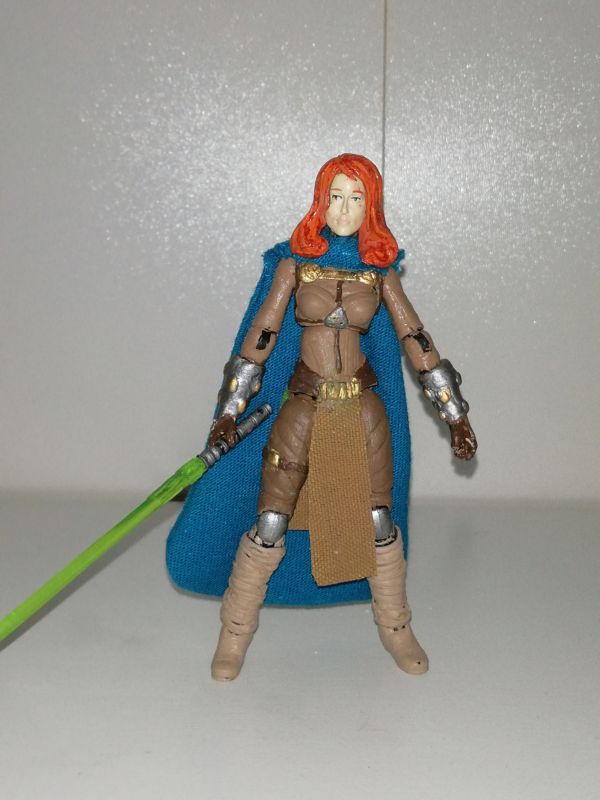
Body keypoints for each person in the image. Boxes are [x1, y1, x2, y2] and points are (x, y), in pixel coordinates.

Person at [166, 154, 477, 681]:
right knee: (271, 520)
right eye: (336, 196)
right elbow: (262, 337)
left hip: (361, 408)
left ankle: (396, 627)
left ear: (371, 206)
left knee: (378, 520)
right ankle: (235, 632)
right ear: (320, 201)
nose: (345, 208)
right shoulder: (294, 264)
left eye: (357, 198)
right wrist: (229, 411)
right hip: (304, 406)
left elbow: (416, 339)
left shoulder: (378, 272)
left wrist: (455, 415)